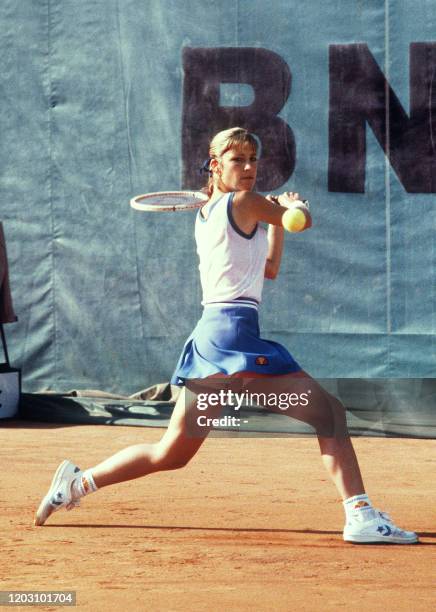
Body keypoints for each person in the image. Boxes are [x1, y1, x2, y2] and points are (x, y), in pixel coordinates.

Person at [35, 127, 418, 544]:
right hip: (234, 337)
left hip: (214, 338)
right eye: (239, 160)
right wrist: (293, 204)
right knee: (330, 414)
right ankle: (360, 515)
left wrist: (277, 221)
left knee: (171, 453)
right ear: (216, 166)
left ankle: (75, 485)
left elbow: (268, 270)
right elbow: (301, 221)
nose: (250, 167)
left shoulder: (218, 211)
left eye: (254, 159)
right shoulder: (243, 201)